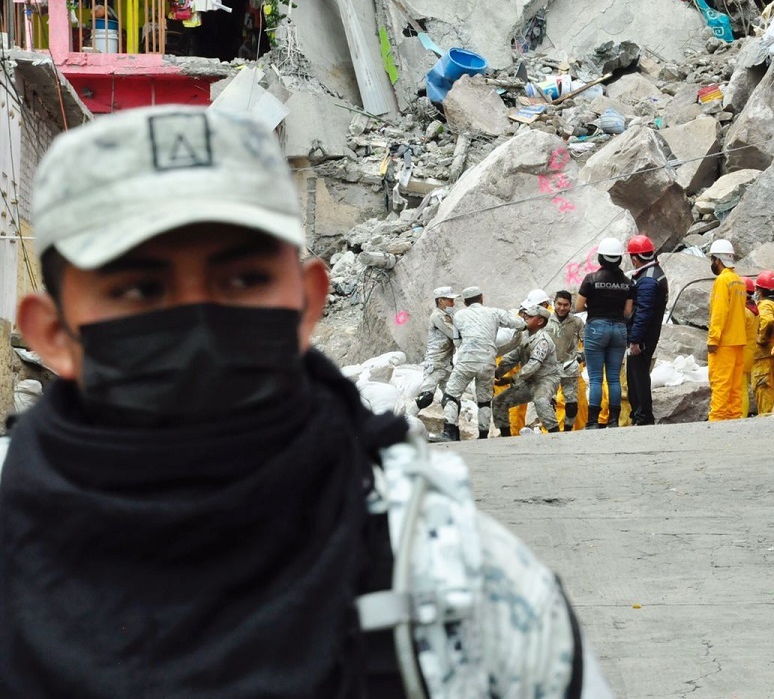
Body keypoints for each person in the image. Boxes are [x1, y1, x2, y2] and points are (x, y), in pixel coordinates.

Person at [1, 105, 611, 697]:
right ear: (52, 333)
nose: (198, 324)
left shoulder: (462, 583)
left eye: (242, 280)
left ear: (306, 302)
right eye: (138, 287)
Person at [443, 287, 525, 441]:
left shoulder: (458, 316)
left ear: (465, 302)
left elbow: (457, 342)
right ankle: (482, 436)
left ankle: (450, 432)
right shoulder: (494, 312)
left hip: (467, 360)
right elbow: (518, 324)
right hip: (488, 362)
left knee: (451, 395)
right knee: (484, 400)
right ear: (481, 298)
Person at [576, 237, 633, 429]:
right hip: (619, 329)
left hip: (596, 327)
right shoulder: (627, 283)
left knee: (595, 378)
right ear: (619, 259)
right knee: (614, 378)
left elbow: (578, 306)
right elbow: (627, 312)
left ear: (600, 258)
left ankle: (592, 421)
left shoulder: (591, 279)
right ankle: (614, 420)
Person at [492, 302, 561, 437]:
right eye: (525, 315)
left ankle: (555, 434)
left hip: (545, 380)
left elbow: (533, 365)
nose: (525, 317)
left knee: (540, 401)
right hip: (528, 381)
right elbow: (512, 357)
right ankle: (506, 437)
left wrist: (512, 378)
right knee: (499, 402)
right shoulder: (523, 336)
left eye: (530, 316)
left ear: (540, 321)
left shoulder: (542, 340)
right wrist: (497, 373)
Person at [626, 234, 669, 426]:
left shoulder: (647, 281)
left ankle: (643, 416)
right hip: (648, 333)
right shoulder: (654, 273)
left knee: (638, 375)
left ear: (635, 259)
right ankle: (639, 414)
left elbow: (643, 312)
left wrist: (635, 339)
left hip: (643, 336)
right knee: (636, 373)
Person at [705, 239, 746, 422]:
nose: (712, 263)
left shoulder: (723, 280)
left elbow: (719, 312)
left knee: (720, 384)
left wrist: (713, 339)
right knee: (734, 387)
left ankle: (717, 420)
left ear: (718, 260)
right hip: (738, 341)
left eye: (712, 259)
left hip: (724, 342)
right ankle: (733, 419)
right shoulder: (739, 281)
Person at [415, 286, 458, 411]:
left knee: (452, 398)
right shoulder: (437, 316)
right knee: (426, 397)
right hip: (435, 363)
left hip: (447, 363)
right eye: (449, 300)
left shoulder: (450, 316)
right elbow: (453, 334)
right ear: (440, 301)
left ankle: (450, 427)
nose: (453, 303)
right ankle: (408, 417)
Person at [548, 290, 585, 431]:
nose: (562, 308)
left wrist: (583, 355)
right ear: (554, 303)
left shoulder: (577, 322)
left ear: (570, 306)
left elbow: (586, 340)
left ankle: (568, 430)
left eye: (565, 305)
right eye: (559, 304)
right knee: (548, 402)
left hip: (569, 367)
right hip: (549, 368)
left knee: (571, 404)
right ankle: (552, 430)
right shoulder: (545, 320)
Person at [752, 271, 774, 415]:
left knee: (763, 390)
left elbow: (767, 321)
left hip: (763, 356)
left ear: (760, 290)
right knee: (771, 389)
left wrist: (761, 339)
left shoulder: (765, 305)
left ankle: (765, 420)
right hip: (772, 355)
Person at [742, 276, 759, 417]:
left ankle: (740, 416)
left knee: (740, 389)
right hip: (749, 353)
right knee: (743, 387)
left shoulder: (744, 312)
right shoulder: (754, 309)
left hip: (741, 354)